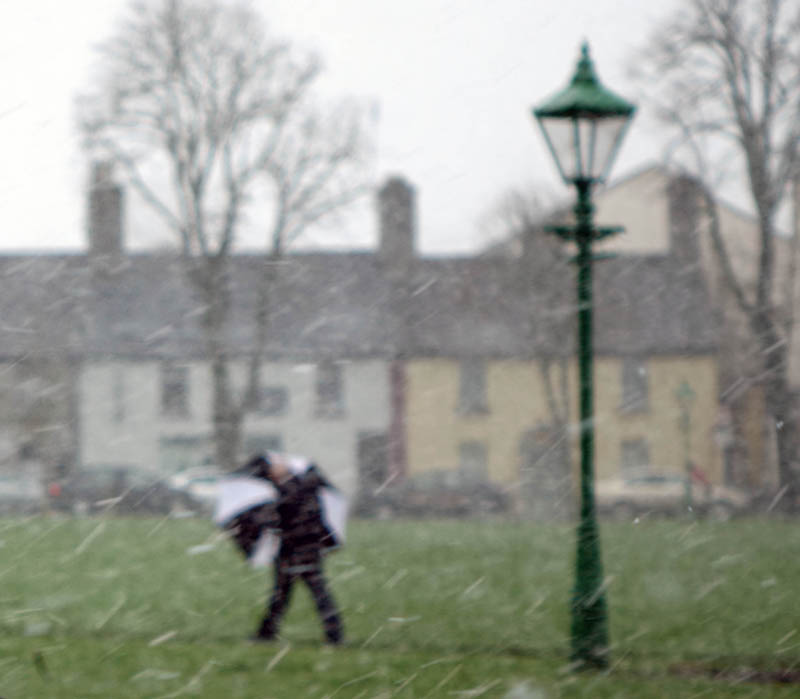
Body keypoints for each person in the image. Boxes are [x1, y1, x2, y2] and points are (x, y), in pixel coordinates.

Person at [242, 452, 344, 645]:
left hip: (299, 548)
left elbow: (287, 518)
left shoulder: (291, 489)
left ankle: (334, 635)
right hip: (298, 548)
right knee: (285, 594)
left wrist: (271, 515)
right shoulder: (299, 485)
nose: (277, 467)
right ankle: (268, 633)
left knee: (311, 593)